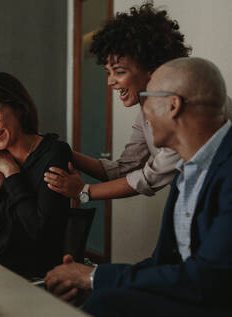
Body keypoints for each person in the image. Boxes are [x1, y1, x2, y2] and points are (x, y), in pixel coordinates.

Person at [45, 57, 232, 317]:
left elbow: (208, 280)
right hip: (194, 299)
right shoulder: (186, 172)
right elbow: (164, 265)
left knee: (108, 306)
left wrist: (94, 278)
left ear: (173, 105)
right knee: (103, 301)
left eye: (147, 99)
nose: (143, 112)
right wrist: (94, 279)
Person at [44, 3, 231, 202]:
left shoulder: (184, 109)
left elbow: (151, 176)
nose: (110, 81)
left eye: (120, 72)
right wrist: (63, 151)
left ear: (151, 68)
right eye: (108, 73)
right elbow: (124, 168)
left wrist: (84, 192)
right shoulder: (148, 111)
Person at [0, 72, 73, 278]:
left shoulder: (53, 153)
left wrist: (12, 174)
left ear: (19, 108)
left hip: (30, 276)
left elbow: (40, 233)